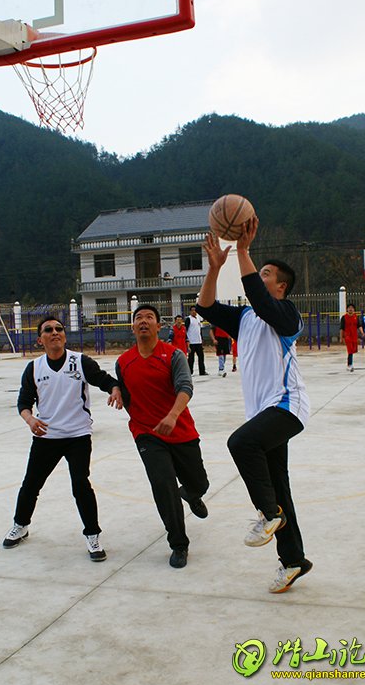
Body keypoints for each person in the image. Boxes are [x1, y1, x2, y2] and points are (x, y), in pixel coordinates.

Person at [196, 217, 312, 594]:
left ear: (281, 286)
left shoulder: (287, 315)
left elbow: (262, 301)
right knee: (279, 485)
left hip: (287, 406)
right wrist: (215, 268)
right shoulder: (246, 318)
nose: (258, 277)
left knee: (241, 443)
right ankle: (293, 560)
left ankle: (268, 513)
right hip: (265, 412)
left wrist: (243, 251)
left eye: (265, 274)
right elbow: (205, 306)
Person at [2, 316, 122, 561]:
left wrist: (115, 389)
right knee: (31, 484)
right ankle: (20, 525)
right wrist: (30, 420)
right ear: (40, 340)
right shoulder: (34, 368)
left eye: (59, 329)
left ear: (65, 336)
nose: (55, 332)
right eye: (48, 330)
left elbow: (105, 380)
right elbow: (23, 403)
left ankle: (92, 535)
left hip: (78, 435)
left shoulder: (80, 362)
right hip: (47, 436)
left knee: (80, 484)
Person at [116, 304, 209, 569]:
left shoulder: (173, 355)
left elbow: (185, 386)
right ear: (133, 327)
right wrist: (115, 390)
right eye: (138, 318)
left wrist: (172, 415)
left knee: (200, 483)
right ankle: (178, 544)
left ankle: (191, 493)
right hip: (147, 434)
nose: (143, 321)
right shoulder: (123, 362)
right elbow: (124, 390)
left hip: (180, 430)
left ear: (158, 326)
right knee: (163, 485)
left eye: (149, 317)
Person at [339, 303, 364, 372]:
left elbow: (359, 326)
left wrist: (362, 333)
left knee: (353, 350)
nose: (350, 309)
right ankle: (350, 365)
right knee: (350, 350)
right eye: (349, 308)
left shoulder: (356, 317)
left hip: (354, 336)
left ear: (354, 309)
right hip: (347, 336)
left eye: (352, 308)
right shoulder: (344, 317)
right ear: (347, 309)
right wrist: (341, 337)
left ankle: (349, 364)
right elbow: (341, 328)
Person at [185, 305, 208, 376]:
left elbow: (199, 330)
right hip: (191, 342)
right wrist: (187, 340)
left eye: (195, 310)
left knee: (201, 357)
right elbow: (185, 330)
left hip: (198, 341)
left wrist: (201, 339)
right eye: (192, 310)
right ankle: (190, 371)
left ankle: (202, 371)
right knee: (191, 358)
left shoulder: (198, 319)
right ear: (190, 311)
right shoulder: (188, 319)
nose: (194, 312)